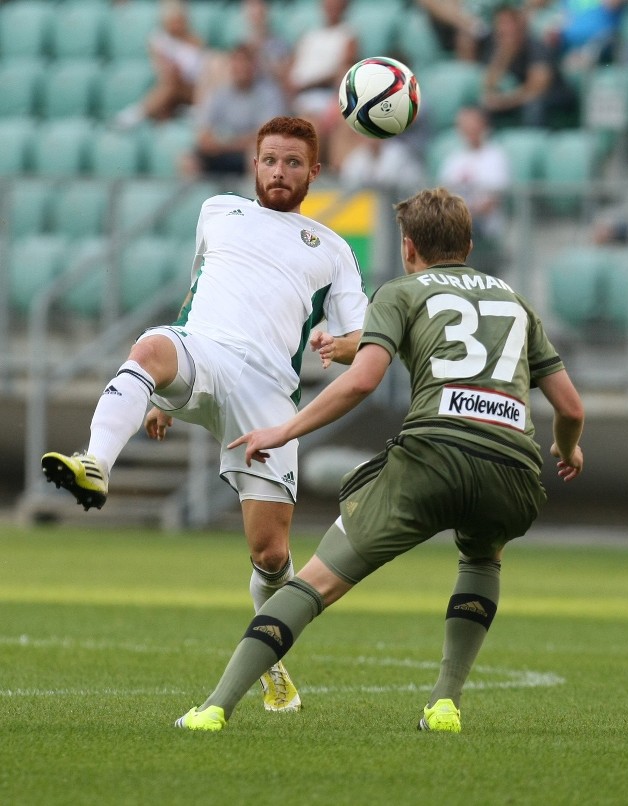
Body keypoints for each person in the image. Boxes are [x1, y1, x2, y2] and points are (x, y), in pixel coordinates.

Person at [172, 186, 585, 733]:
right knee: (483, 558)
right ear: (467, 242)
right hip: (512, 466)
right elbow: (570, 405)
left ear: (408, 247)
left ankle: (214, 708)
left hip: (434, 456)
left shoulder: (403, 289)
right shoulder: (514, 300)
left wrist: (285, 428)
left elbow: (365, 378)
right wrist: (568, 445)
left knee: (316, 582)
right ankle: (445, 704)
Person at [41, 116, 369, 715]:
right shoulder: (218, 210)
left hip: (268, 391)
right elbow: (195, 294)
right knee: (146, 348)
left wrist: (338, 346)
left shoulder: (333, 248)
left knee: (270, 554)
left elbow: (363, 340)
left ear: (314, 173)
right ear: (254, 161)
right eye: (270, 160)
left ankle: (272, 663)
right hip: (204, 350)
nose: (279, 172)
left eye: (293, 163)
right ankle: (95, 464)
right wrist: (160, 392)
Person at [180, 42, 289, 180]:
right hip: (220, 151)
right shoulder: (220, 93)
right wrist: (211, 142)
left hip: (245, 152)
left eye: (246, 62)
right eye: (237, 62)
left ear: (254, 66)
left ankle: (255, 199)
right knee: (188, 159)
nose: (241, 67)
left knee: (258, 156)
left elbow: (265, 137)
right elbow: (204, 131)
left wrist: (227, 145)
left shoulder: (269, 94)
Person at [481, 3, 579, 128]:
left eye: (508, 23)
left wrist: (504, 102)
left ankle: (533, 142)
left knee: (534, 105)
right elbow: (488, 85)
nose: (504, 29)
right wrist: (503, 55)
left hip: (555, 97)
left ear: (520, 25)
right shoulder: (500, 51)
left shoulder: (537, 47)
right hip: (521, 99)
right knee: (486, 106)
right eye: (500, 24)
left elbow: (536, 89)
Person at [113, 0, 208, 129]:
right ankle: (145, 114)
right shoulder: (159, 41)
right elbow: (164, 72)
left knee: (171, 86)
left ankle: (138, 113)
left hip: (196, 89)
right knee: (170, 85)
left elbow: (203, 71)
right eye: (173, 21)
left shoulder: (197, 40)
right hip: (174, 87)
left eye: (179, 20)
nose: (176, 25)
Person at [438, 105, 510, 272]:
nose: (468, 129)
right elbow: (443, 195)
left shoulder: (495, 157)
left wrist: (463, 216)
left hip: (484, 233)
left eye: (472, 124)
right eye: (464, 125)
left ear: (483, 125)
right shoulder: (453, 159)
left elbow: (493, 200)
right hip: (456, 230)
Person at [285, 0, 359, 157]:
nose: (331, 7)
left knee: (310, 130)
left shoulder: (348, 34)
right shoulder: (310, 35)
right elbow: (292, 67)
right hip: (299, 99)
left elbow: (343, 70)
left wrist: (307, 85)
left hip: (326, 100)